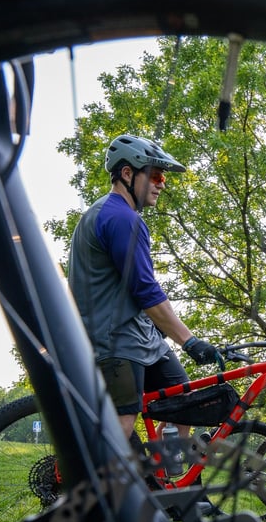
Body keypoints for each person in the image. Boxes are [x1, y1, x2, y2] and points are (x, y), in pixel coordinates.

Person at [68, 134, 219, 442]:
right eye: (155, 175)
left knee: (183, 404)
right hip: (114, 342)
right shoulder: (120, 218)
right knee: (123, 424)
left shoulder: (110, 214)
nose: (162, 183)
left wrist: (162, 330)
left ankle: (164, 483)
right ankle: (99, 487)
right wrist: (189, 341)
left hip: (142, 339)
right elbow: (145, 290)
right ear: (127, 174)